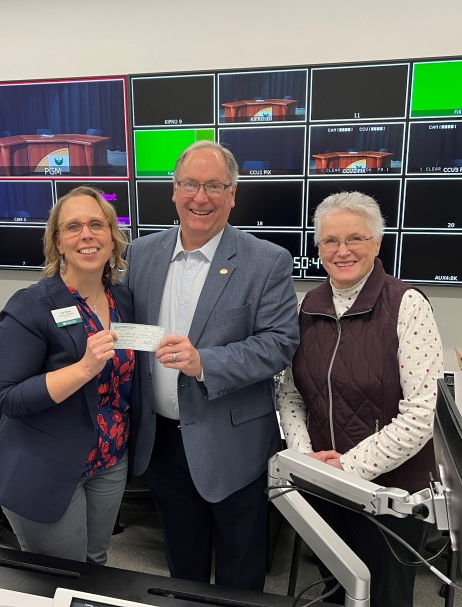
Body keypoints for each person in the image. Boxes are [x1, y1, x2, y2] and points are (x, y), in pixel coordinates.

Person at [124, 141, 300, 591]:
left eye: (214, 186)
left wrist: (206, 362)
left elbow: (280, 344)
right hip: (162, 442)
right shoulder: (142, 255)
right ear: (174, 190)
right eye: (190, 185)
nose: (200, 198)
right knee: (183, 569)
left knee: (241, 574)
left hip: (233, 443)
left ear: (233, 193)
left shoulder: (266, 261)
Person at [276, 191, 444, 607]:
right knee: (333, 589)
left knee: (385, 595)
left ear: (377, 243)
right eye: (330, 241)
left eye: (355, 239)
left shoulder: (407, 305)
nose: (342, 250)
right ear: (317, 248)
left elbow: (421, 415)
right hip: (324, 486)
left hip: (389, 494)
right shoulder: (307, 307)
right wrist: (304, 457)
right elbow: (291, 395)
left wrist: (348, 469)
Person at [0, 185, 137, 565]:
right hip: (44, 465)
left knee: (96, 563)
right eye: (73, 227)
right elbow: (9, 398)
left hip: (109, 460)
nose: (87, 235)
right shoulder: (30, 306)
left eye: (97, 225)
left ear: (113, 240)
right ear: (57, 243)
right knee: (59, 573)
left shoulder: (123, 300)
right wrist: (82, 369)